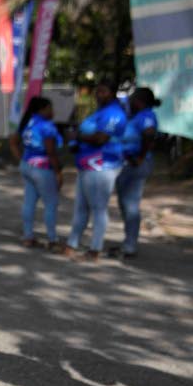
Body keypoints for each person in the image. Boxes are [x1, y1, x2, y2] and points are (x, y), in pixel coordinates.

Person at [65, 79, 127, 261]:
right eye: (97, 91)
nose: (99, 95)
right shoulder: (100, 112)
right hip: (86, 164)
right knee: (81, 207)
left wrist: (78, 136)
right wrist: (76, 141)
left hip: (102, 165)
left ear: (112, 93)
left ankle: (95, 250)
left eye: (103, 91)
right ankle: (72, 244)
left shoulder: (114, 114)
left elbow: (101, 139)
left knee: (98, 208)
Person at [110, 87, 160, 260]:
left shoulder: (146, 116)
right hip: (127, 163)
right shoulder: (135, 116)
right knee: (125, 202)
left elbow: (149, 134)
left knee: (130, 204)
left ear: (139, 101)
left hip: (136, 164)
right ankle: (128, 240)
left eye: (132, 99)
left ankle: (130, 244)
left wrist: (140, 156)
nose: (129, 102)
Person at [10, 96, 63, 249]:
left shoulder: (27, 122)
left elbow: (13, 142)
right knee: (51, 203)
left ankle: (28, 236)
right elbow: (51, 151)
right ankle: (52, 239)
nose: (53, 111)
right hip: (43, 167)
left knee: (29, 202)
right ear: (42, 109)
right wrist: (58, 172)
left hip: (27, 164)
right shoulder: (47, 126)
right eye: (50, 108)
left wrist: (23, 159)